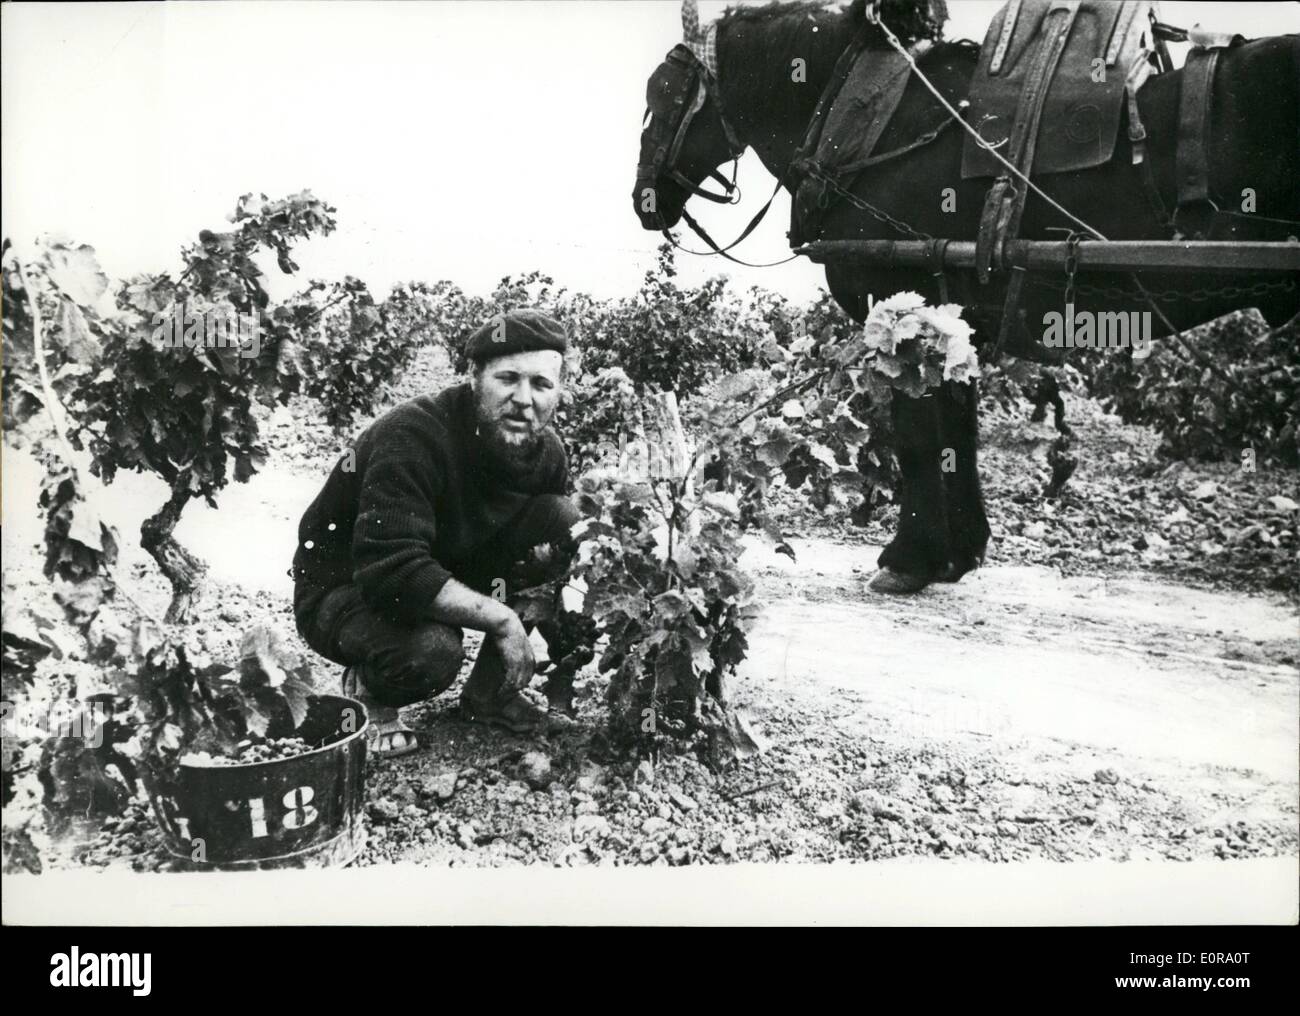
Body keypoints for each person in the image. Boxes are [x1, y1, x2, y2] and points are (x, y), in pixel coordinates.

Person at [291, 308, 579, 756]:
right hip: (350, 589)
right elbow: (392, 572)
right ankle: (372, 692)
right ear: (473, 376)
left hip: (443, 565)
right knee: (433, 651)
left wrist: (572, 633)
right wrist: (502, 620)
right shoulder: (413, 435)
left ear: (558, 392)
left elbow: (547, 566)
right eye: (508, 378)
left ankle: (490, 696)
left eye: (541, 384)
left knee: (561, 522)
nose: (524, 399)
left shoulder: (547, 454)